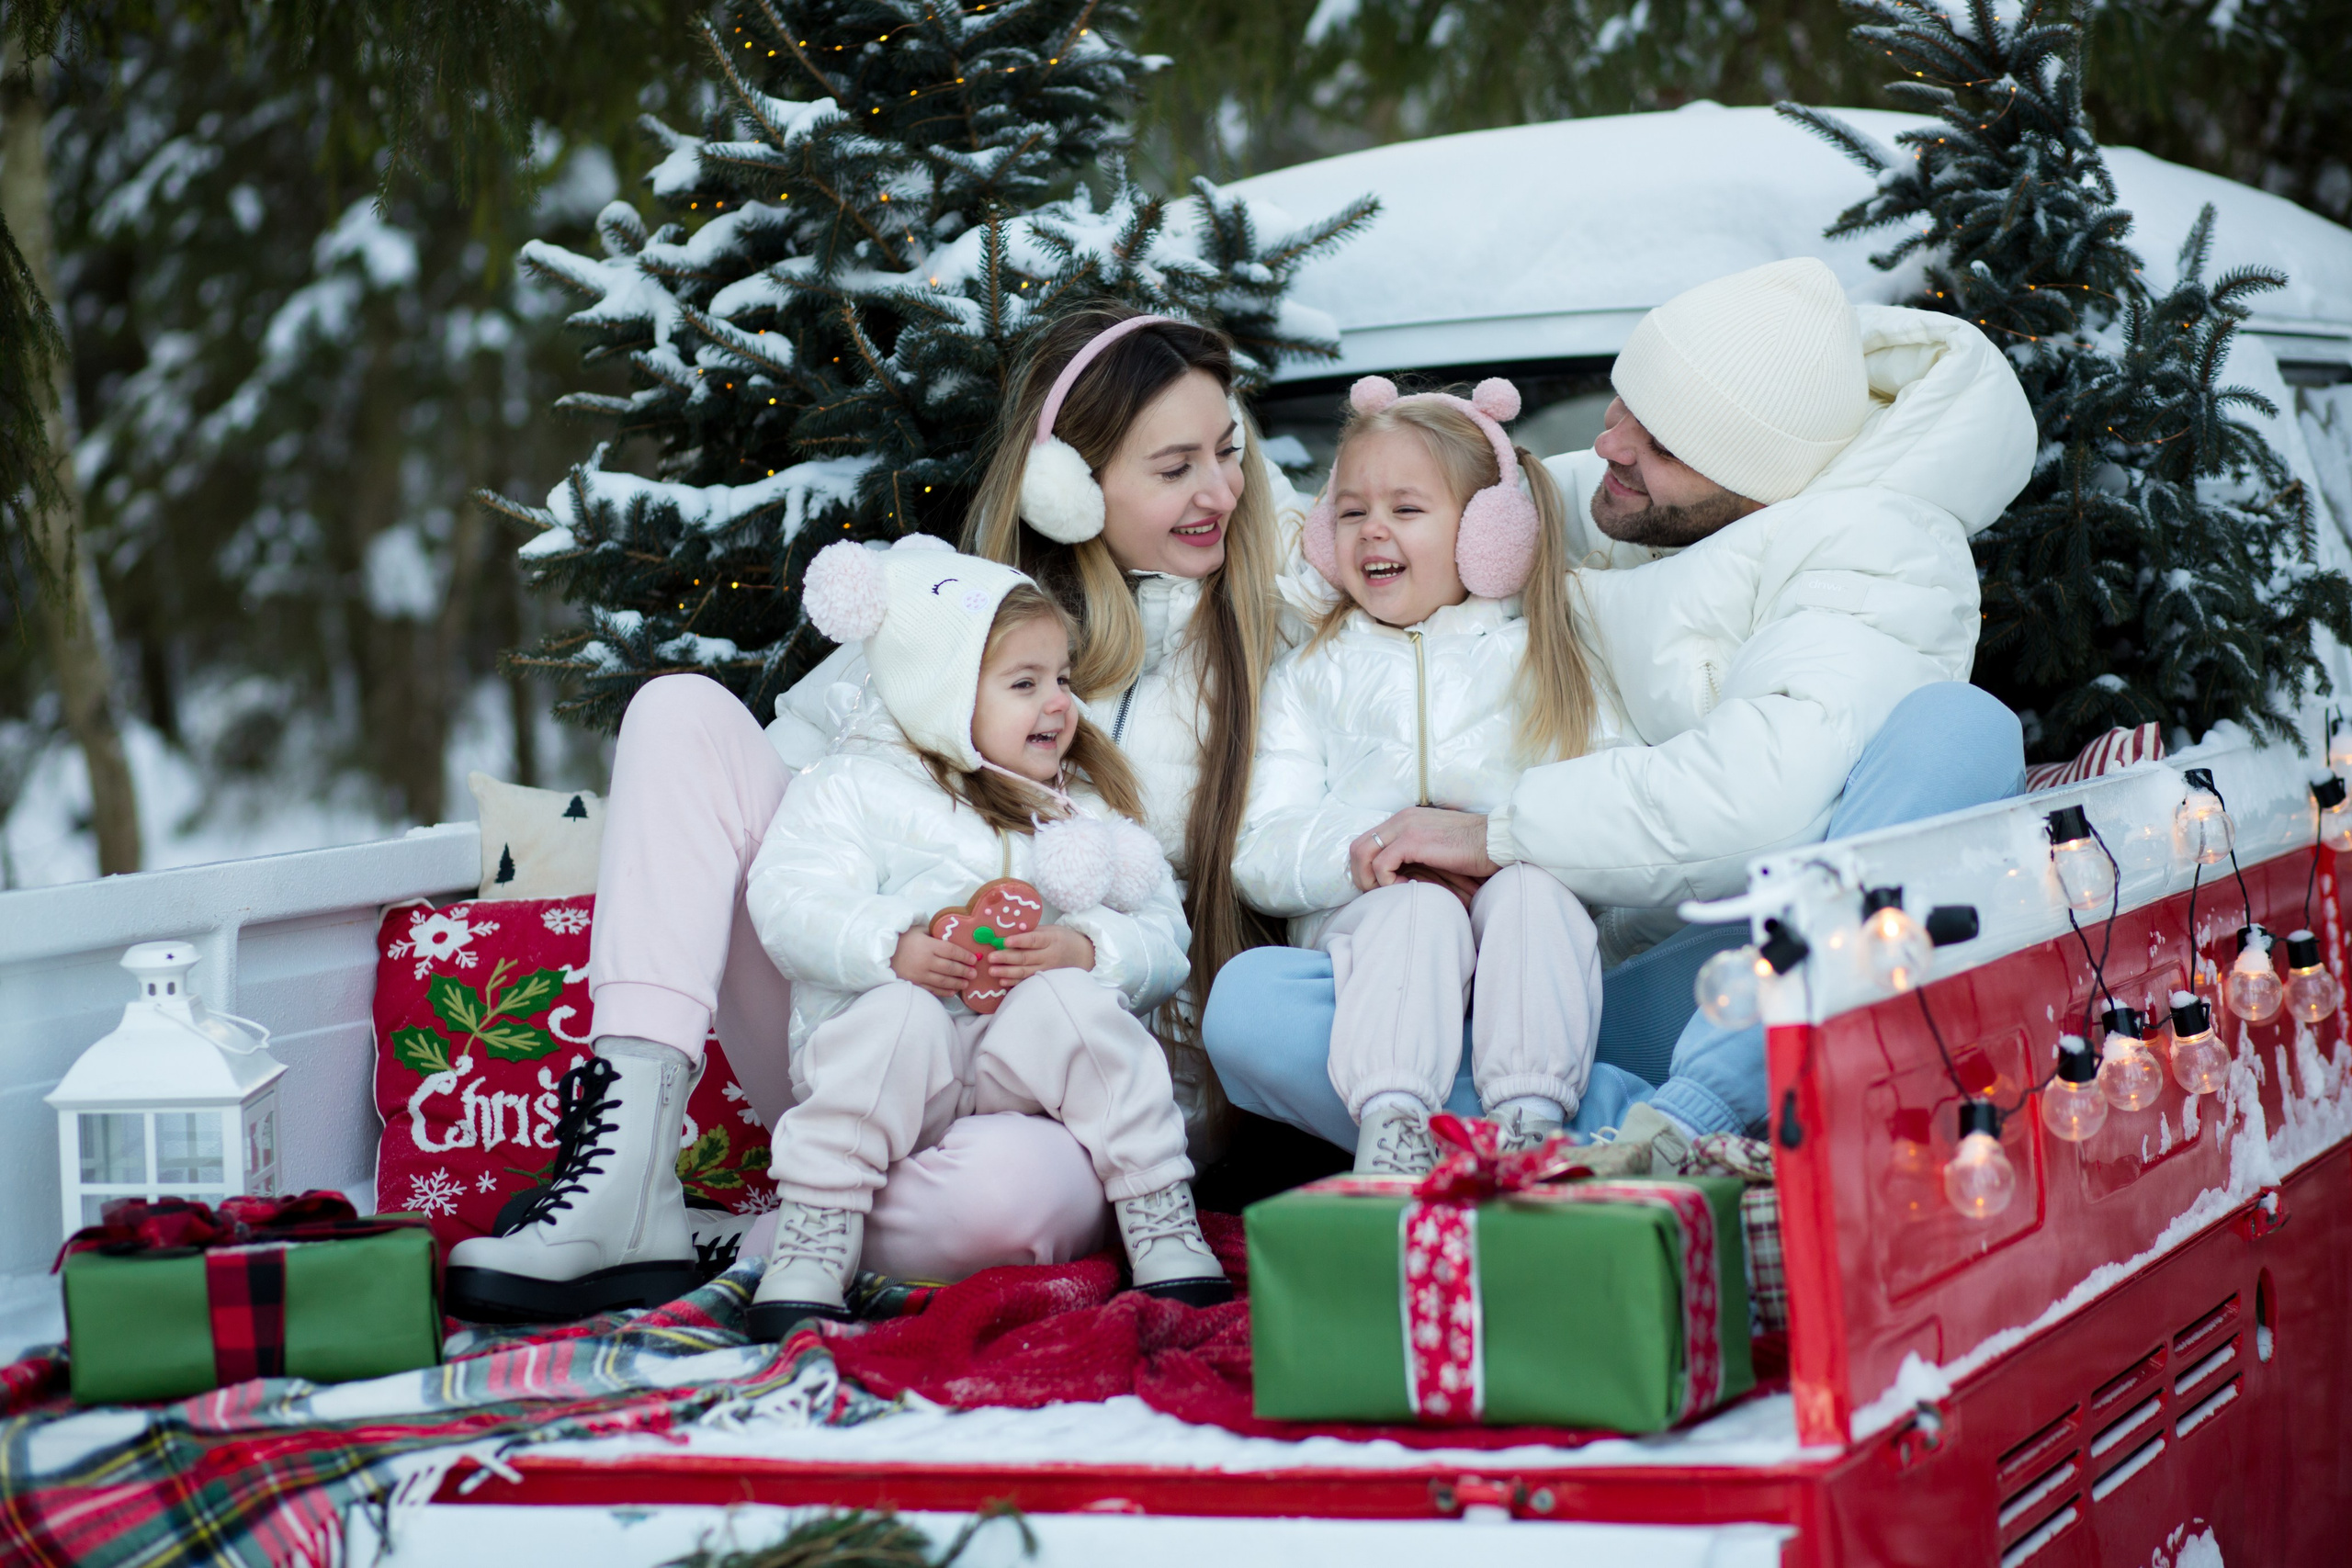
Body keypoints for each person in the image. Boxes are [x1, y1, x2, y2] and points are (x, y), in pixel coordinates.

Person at [446, 309, 1295, 1322]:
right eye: (1175, 467)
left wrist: (1087, 957)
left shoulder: (1278, 641)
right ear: (1065, 486)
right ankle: (626, 1177)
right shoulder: (941, 617)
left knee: (1007, 1207)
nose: (1219, 492)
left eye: (1229, 452)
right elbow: (772, 823)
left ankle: (771, 1231)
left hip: (1063, 1085)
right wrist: (886, 935)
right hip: (870, 1039)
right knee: (679, 712)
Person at [1204, 256, 2037, 1174]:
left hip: (1725, 968)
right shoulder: (1627, 503)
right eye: (1617, 406)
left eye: (1661, 442)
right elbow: (1394, 510)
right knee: (1253, 1005)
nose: (1609, 449)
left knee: (1961, 730)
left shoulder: (1879, 554)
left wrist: (1501, 837)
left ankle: (1688, 1115)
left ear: (1756, 478)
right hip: (1518, 975)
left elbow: (1757, 797)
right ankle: (1613, 1147)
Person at [741, 542, 1226, 1337]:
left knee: (1074, 1006)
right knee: (895, 1016)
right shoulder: (855, 785)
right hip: (900, 1067)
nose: (1059, 703)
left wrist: (1088, 949)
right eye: (1025, 684)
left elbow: (1161, 931)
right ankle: (815, 1228)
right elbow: (788, 896)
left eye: (1062, 679)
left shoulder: (1083, 806)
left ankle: (1159, 1214)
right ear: (943, 695)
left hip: (1016, 1069)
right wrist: (888, 944)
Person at [1233, 376, 1612, 1175]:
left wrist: (1499, 845)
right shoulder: (1309, 673)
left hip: (1519, 937)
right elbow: (1261, 849)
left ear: (1490, 537)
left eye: (1406, 510)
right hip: (1373, 935)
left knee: (1534, 893)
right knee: (1416, 913)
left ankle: (1530, 1121)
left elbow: (1607, 813)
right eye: (1351, 510)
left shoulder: (1549, 657)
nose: (1374, 531)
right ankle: (1393, 1128)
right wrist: (1376, 853)